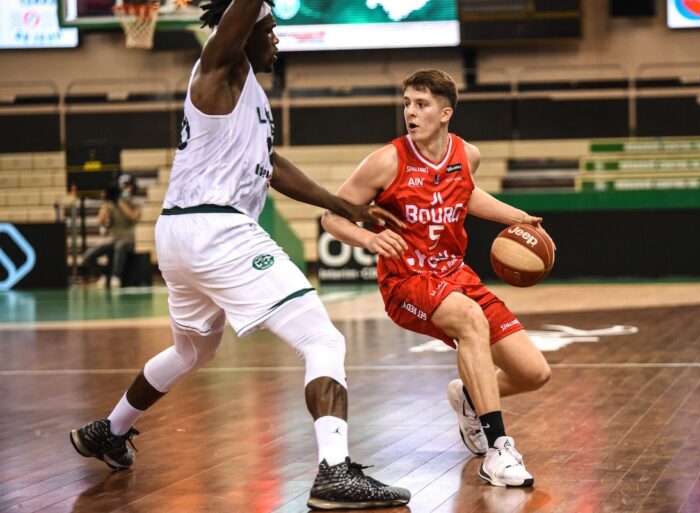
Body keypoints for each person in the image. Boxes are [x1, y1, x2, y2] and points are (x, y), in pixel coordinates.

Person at [69, 1, 410, 510]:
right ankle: (335, 472)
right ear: (244, 30)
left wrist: (346, 207)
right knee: (322, 339)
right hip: (217, 229)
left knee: (191, 352)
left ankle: (109, 431)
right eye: (268, 30)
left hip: (180, 233)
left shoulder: (248, 98)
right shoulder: (219, 67)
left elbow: (272, 166)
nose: (277, 40)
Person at [322, 69, 552, 488]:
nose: (410, 112)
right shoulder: (386, 161)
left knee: (533, 373)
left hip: (455, 274)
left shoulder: (467, 154)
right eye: (407, 103)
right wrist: (368, 240)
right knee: (470, 319)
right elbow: (331, 217)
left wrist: (514, 215)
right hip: (406, 279)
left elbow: (466, 192)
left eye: (421, 104)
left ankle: (468, 397)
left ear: (445, 113)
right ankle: (499, 450)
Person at [81, 173, 141, 288]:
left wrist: (120, 200)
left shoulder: (135, 204)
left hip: (128, 240)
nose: (125, 189)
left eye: (127, 186)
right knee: (88, 257)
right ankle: (104, 274)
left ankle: (116, 277)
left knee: (120, 247)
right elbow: (100, 222)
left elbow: (133, 216)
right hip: (112, 239)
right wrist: (106, 204)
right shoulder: (111, 205)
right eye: (123, 187)